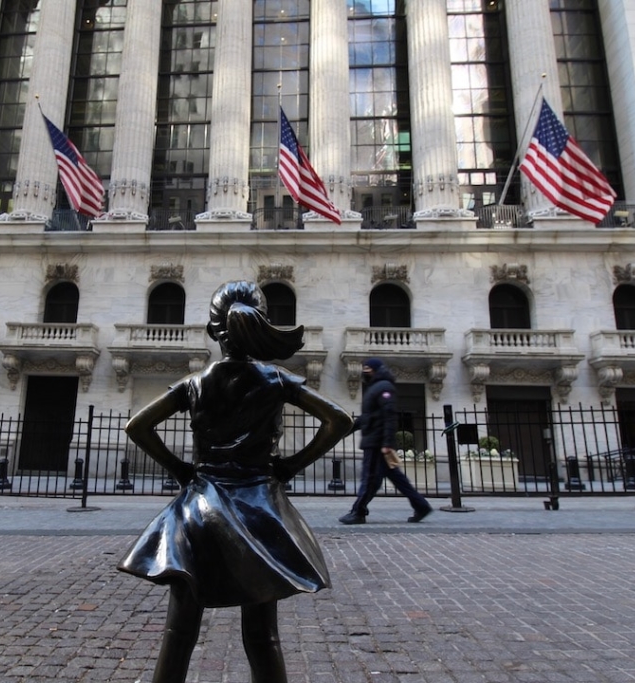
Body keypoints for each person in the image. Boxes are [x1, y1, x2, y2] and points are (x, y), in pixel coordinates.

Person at [118, 281, 353, 683]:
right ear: (260, 323)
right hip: (259, 511)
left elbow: (137, 426)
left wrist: (180, 470)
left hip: (198, 509)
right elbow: (340, 421)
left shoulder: (196, 382)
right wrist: (290, 466)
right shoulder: (275, 379)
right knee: (263, 637)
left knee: (179, 633)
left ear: (213, 331)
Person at [339, 357, 433, 525]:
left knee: (369, 478)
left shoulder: (384, 388)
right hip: (374, 441)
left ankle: (358, 511)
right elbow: (368, 417)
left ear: (375, 370)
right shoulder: (375, 388)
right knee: (396, 478)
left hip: (377, 443)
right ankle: (421, 506)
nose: (364, 372)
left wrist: (387, 443)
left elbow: (389, 416)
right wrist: (347, 430)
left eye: (367, 368)